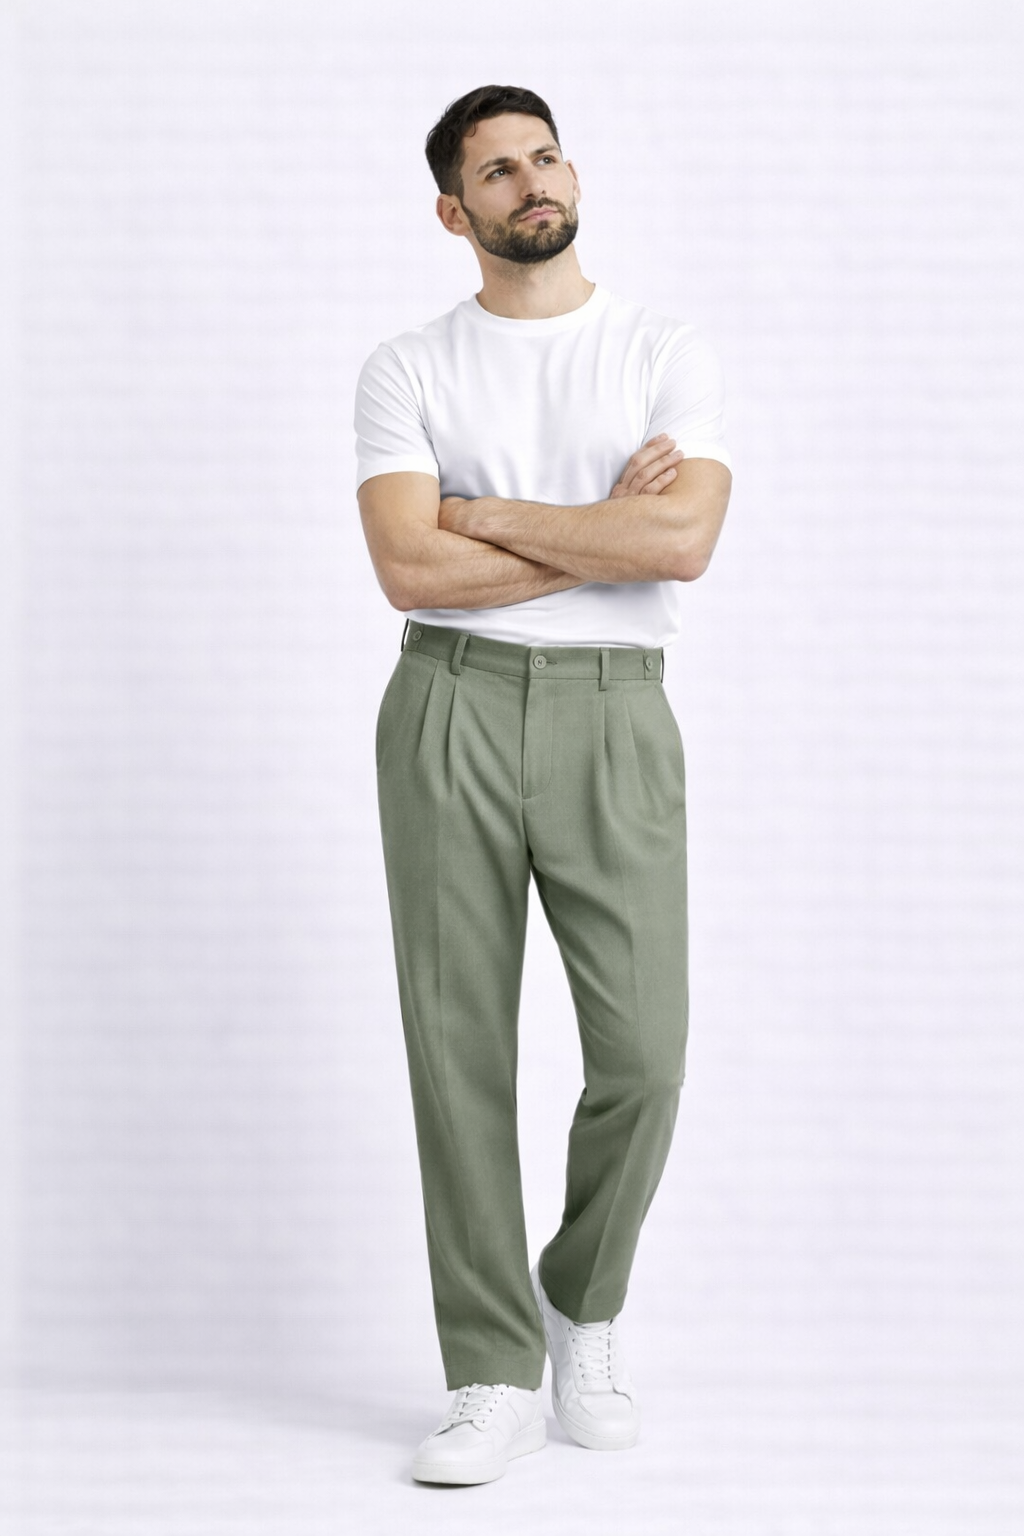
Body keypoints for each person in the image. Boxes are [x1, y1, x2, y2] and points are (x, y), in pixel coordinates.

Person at [354, 83, 733, 1486]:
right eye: (499, 172)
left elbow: (682, 544)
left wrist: (492, 516)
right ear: (455, 211)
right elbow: (407, 566)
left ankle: (583, 1299)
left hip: (617, 714)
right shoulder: (409, 367)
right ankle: (491, 1369)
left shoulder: (660, 350)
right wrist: (601, 530)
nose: (533, 183)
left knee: (645, 1055)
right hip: (446, 703)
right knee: (457, 1050)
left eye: (547, 157)